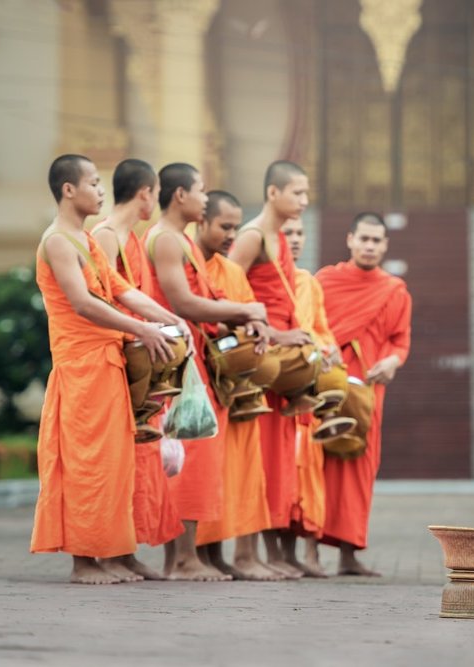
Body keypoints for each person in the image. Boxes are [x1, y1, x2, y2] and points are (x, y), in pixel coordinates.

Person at [30, 154, 183, 584]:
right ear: (68, 190)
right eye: (94, 182)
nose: (101, 190)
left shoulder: (87, 239)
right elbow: (82, 302)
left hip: (108, 362)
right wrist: (141, 329)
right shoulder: (58, 241)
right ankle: (84, 561)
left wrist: (171, 322)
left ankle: (116, 552)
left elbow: (122, 290)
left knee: (116, 464)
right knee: (87, 463)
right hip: (81, 367)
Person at [144, 163, 268, 581]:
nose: (203, 197)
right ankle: (181, 560)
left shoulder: (181, 241)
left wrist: (240, 323)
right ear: (180, 195)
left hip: (193, 360)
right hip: (178, 365)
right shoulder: (165, 239)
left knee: (193, 458)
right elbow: (183, 303)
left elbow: (202, 303)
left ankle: (182, 557)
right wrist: (244, 309)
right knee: (187, 457)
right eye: (199, 190)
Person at [91, 158, 186, 581]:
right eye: (155, 193)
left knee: (139, 463)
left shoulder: (130, 237)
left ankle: (126, 551)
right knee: (112, 463)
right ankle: (105, 554)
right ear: (146, 192)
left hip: (136, 357)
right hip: (111, 358)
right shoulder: (106, 236)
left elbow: (131, 294)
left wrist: (168, 323)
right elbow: (103, 300)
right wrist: (144, 330)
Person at [229, 160, 315, 579]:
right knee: (252, 460)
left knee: (274, 463)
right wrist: (276, 337)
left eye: (305, 193)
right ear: (272, 193)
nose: (304, 200)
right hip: (258, 360)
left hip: (280, 366)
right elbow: (226, 293)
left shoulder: (278, 238)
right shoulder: (250, 236)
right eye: (297, 192)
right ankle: (243, 554)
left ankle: (259, 552)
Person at [192, 190, 283, 581]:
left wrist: (258, 329)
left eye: (235, 226)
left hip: (238, 386)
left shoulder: (229, 270)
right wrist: (237, 320)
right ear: (201, 222)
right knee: (205, 470)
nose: (232, 234)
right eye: (225, 226)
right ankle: (204, 555)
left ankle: (236, 555)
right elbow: (188, 309)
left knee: (244, 472)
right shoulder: (188, 262)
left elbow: (248, 309)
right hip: (202, 380)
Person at [315, 212, 411, 576]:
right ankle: (309, 551)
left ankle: (348, 554)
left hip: (369, 390)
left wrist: (392, 362)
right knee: (319, 462)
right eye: (364, 239)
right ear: (350, 240)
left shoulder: (394, 290)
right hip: (329, 385)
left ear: (385, 245)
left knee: (360, 467)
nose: (370, 246)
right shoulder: (326, 281)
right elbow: (311, 326)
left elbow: (401, 341)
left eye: (377, 241)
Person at [280, 215, 338, 578]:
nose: (296, 239)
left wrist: (328, 348)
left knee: (312, 474)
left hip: (310, 390)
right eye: (288, 233)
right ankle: (282, 553)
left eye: (301, 233)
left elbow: (321, 328)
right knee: (284, 473)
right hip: (282, 388)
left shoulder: (308, 283)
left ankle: (311, 554)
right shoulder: (264, 277)